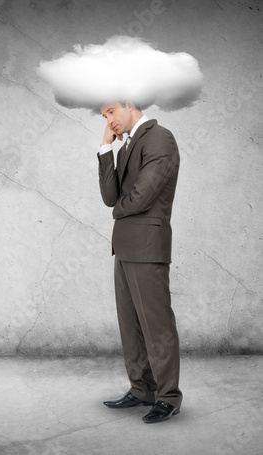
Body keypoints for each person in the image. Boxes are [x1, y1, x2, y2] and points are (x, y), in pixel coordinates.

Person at [97, 101, 182, 424]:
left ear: (130, 104)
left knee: (156, 326)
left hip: (148, 246)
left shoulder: (160, 137)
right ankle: (142, 389)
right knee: (131, 326)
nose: (109, 119)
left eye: (112, 111)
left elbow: (141, 197)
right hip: (125, 246)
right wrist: (106, 147)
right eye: (104, 116)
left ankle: (168, 396)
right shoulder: (124, 147)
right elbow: (109, 196)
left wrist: (118, 210)